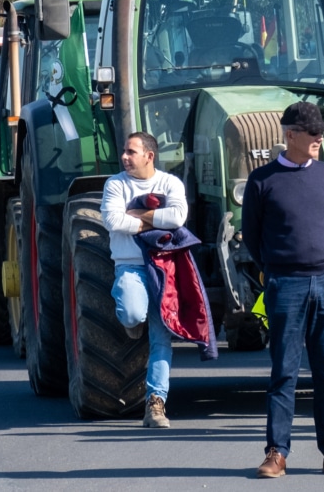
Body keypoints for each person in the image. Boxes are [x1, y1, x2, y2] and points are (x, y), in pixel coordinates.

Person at [245, 102, 324, 477]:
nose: (319, 138)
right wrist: (278, 270)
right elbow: (253, 238)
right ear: (290, 134)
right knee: (284, 371)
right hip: (285, 283)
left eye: (322, 132)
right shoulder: (262, 180)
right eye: (312, 132)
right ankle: (277, 452)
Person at [101, 132, 188, 429]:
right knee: (133, 312)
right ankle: (131, 323)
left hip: (164, 267)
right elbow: (113, 220)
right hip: (130, 265)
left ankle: (156, 404)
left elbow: (177, 217)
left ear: (149, 156)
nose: (124, 156)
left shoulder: (170, 183)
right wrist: (153, 220)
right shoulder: (115, 184)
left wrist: (137, 217)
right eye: (125, 151)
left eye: (131, 152)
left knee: (161, 337)